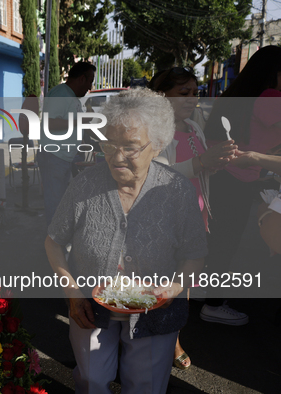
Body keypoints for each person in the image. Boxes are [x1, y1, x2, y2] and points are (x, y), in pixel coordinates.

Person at [45, 88, 207, 394]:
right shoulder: (84, 186)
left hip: (155, 311)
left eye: (130, 147)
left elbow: (195, 255)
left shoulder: (177, 191)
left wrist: (173, 288)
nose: (116, 157)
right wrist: (72, 291)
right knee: (92, 381)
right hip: (91, 307)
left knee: (145, 385)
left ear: (157, 145)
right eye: (109, 144)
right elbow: (53, 241)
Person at [149, 67, 237, 370]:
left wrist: (216, 163)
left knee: (184, 283)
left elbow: (199, 171)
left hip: (194, 216)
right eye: (183, 93)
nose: (192, 99)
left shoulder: (193, 126)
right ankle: (159, 341)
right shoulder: (151, 129)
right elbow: (152, 176)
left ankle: (173, 337)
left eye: (195, 93)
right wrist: (200, 162)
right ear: (162, 96)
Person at [200, 45, 281, 325]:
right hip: (236, 176)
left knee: (212, 237)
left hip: (217, 172)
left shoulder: (237, 94)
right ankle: (213, 304)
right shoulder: (271, 97)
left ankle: (199, 293)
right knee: (225, 241)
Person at [39, 62, 96, 226]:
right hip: (54, 157)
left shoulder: (71, 97)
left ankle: (58, 243)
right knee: (55, 207)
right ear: (82, 79)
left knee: (62, 205)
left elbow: (79, 124)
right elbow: (49, 124)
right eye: (90, 81)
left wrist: (104, 140)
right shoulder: (61, 94)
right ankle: (54, 248)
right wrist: (80, 121)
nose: (90, 87)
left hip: (63, 157)